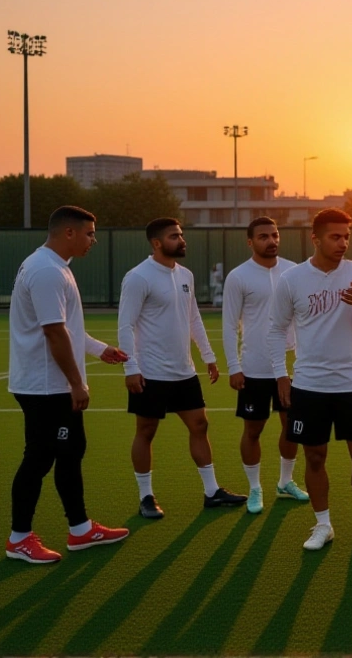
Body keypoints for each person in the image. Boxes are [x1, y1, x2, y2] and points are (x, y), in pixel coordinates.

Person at [6, 206, 131, 564]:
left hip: (48, 383)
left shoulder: (54, 266)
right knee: (40, 457)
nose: (94, 240)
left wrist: (99, 349)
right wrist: (76, 383)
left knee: (71, 451)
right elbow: (54, 332)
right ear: (69, 233)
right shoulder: (47, 270)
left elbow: (67, 328)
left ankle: (80, 529)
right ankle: (19, 539)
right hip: (46, 386)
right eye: (90, 233)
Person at [269, 209, 352, 550]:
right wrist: (281, 374)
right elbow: (276, 329)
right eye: (335, 237)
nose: (343, 243)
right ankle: (323, 525)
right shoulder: (292, 279)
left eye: (346, 237)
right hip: (309, 385)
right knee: (315, 457)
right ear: (316, 238)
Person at [119, 218, 245, 519]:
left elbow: (193, 318)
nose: (181, 239)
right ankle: (146, 497)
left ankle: (212, 491)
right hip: (150, 372)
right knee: (146, 431)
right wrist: (130, 368)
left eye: (181, 234)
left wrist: (208, 356)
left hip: (183, 371)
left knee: (200, 425)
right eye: (174, 236)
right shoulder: (138, 277)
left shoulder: (185, 274)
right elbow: (125, 325)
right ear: (157, 243)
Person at [221, 217, 309, 515]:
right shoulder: (238, 276)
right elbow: (229, 325)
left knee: (292, 427)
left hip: (291, 368)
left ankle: (285, 482)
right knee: (253, 430)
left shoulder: (294, 271)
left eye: (274, 235)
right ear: (250, 242)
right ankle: (255, 488)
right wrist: (234, 366)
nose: (271, 241)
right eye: (263, 237)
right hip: (254, 368)